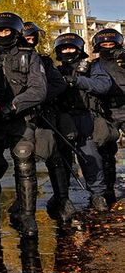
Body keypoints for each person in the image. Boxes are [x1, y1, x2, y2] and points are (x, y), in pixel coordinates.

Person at [0, 12, 47, 238]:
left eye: (7, 31)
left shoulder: (29, 56)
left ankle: (26, 214)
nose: (3, 35)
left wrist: (12, 106)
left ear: (16, 33)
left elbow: (38, 89)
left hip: (20, 119)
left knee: (24, 161)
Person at [16, 22, 73, 223]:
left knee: (53, 156)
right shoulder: (9, 58)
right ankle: (22, 202)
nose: (30, 42)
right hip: (18, 116)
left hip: (43, 114)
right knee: (23, 160)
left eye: (33, 38)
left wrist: (38, 96)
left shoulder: (44, 62)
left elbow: (59, 84)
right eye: (27, 38)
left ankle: (62, 199)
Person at [53, 33, 111, 211]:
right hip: (63, 119)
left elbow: (103, 86)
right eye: (64, 48)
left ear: (79, 49)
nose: (67, 51)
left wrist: (78, 80)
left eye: (71, 48)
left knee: (90, 157)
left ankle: (98, 195)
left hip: (86, 117)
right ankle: (61, 199)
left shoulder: (93, 67)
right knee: (61, 161)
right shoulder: (55, 70)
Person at [92, 28, 125, 207]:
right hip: (106, 111)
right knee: (106, 153)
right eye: (103, 44)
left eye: (111, 44)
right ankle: (108, 190)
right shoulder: (94, 65)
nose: (107, 48)